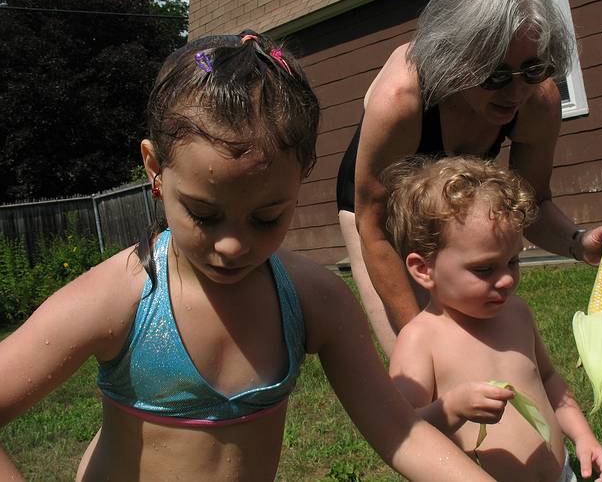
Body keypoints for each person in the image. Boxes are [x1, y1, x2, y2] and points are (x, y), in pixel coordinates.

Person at [0, 32, 500, 481]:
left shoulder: (314, 298)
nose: (233, 245)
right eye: (203, 213)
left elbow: (399, 431)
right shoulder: (119, 297)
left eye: (265, 218)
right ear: (154, 168)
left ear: (302, 176)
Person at [335, 0, 602, 356]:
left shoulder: (536, 100)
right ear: (453, 57)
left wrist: (578, 242)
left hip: (452, 213)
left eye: (532, 70)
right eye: (494, 75)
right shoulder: (402, 99)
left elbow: (534, 202)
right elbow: (373, 226)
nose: (515, 92)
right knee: (424, 370)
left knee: (483, 353)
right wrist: (421, 343)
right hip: (380, 218)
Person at [383, 155, 602, 482]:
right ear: (424, 270)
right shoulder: (421, 339)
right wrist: (452, 408)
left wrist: (584, 436)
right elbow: (403, 432)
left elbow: (548, 381)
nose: (506, 280)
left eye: (513, 262)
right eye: (485, 269)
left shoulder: (516, 313)